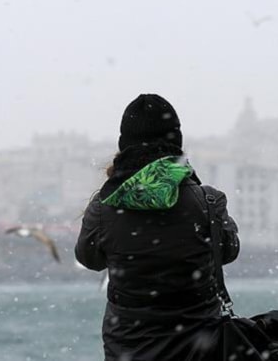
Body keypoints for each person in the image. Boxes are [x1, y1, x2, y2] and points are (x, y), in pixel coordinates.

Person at [75, 93, 240, 361]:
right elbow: (229, 251)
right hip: (199, 348)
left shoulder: (104, 207)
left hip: (130, 348)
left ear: (124, 145)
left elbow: (89, 259)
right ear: (177, 143)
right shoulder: (208, 202)